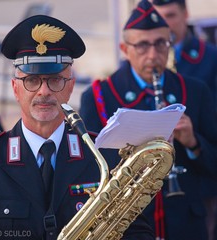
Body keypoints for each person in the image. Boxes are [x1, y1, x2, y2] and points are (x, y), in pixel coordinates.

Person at [0, 15, 155, 240]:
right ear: (15, 88)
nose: (44, 91)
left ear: (70, 86)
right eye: (32, 80)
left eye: (55, 80)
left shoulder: (105, 155)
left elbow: (138, 233)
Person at [79, 0, 217, 240]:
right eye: (142, 45)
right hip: (130, 224)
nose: (153, 55)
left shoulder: (195, 91)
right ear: (125, 49)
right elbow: (90, 168)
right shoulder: (99, 95)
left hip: (187, 224)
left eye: (161, 44)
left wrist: (193, 143)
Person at [151, 1, 217, 239]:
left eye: (170, 15)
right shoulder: (145, 59)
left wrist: (191, 137)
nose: (164, 24)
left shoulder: (210, 58)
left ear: (186, 14)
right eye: (157, 17)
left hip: (200, 186)